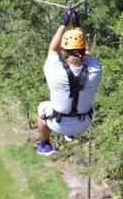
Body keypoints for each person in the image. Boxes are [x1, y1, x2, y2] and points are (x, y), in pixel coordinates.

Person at [36, 10, 102, 155]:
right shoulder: (95, 70)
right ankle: (70, 134)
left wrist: (63, 24)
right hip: (83, 123)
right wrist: (77, 25)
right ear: (83, 52)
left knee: (42, 107)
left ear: (63, 52)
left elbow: (52, 50)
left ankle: (44, 143)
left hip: (57, 124)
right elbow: (87, 52)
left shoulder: (55, 71)